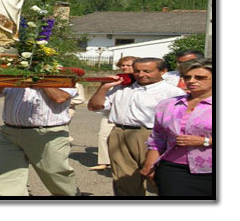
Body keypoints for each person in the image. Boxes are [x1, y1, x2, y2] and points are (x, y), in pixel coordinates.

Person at [88, 57, 186, 196]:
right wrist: (104, 87)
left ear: (163, 71)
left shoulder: (172, 93)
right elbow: (94, 106)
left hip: (153, 136)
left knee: (158, 178)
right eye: (137, 71)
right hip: (120, 134)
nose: (141, 74)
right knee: (124, 181)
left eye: (147, 71)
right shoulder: (121, 89)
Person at [0, 84, 79, 196]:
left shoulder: (62, 76)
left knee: (55, 173)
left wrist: (38, 80)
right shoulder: (15, 73)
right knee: (9, 176)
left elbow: (60, 97)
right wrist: (6, 80)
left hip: (47, 134)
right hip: (10, 133)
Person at [140, 58, 213, 197]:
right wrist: (149, 164)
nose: (191, 81)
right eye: (187, 77)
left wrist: (205, 141)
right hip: (173, 168)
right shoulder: (168, 104)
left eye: (200, 77)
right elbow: (158, 137)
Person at [90, 56, 137, 171]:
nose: (125, 67)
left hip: (130, 116)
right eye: (123, 65)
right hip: (110, 113)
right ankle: (104, 162)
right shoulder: (117, 79)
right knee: (103, 136)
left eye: (128, 65)